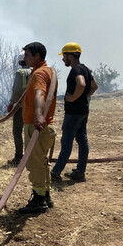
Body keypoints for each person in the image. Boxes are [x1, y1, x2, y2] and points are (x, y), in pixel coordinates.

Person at [50, 42, 98, 182]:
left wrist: (73, 98)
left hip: (73, 114)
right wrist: (83, 97)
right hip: (83, 111)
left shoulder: (76, 70)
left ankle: (56, 172)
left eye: (64, 56)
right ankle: (80, 172)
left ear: (70, 55)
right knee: (82, 141)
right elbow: (94, 86)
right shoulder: (86, 69)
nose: (63, 59)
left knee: (66, 143)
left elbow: (81, 84)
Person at [18, 42, 57, 213]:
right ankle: (45, 195)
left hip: (36, 127)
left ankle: (39, 200)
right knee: (41, 162)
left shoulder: (39, 74)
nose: (24, 58)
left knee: (34, 163)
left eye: (27, 55)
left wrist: (38, 116)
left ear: (37, 56)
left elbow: (40, 94)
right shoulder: (46, 71)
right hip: (43, 127)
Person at [7, 53, 31, 166]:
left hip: (21, 107)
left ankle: (18, 157)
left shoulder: (20, 72)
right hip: (33, 106)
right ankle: (32, 156)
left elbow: (16, 90)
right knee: (31, 131)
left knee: (17, 131)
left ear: (20, 62)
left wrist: (12, 103)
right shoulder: (35, 71)